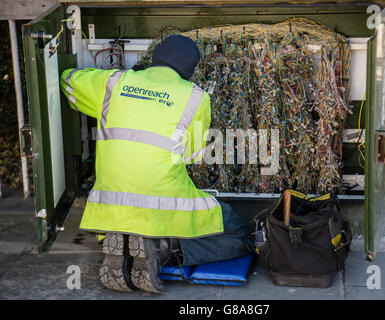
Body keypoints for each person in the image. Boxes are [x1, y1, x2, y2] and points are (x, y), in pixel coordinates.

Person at [60, 35, 254, 294]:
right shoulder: (195, 98)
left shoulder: (114, 83)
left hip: (110, 205)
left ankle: (127, 239)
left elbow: (68, 79)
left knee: (128, 213)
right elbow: (192, 156)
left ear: (154, 58)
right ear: (189, 70)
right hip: (165, 203)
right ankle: (163, 247)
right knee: (242, 234)